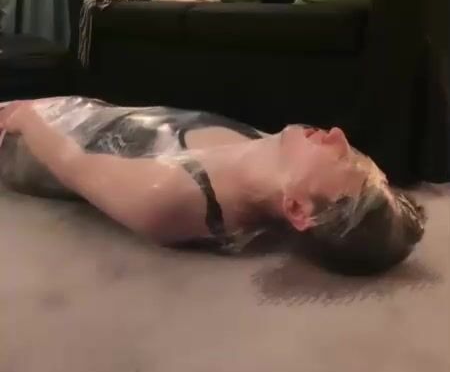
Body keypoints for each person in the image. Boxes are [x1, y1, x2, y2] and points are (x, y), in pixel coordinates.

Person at [0, 96, 425, 275]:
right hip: (76, 109)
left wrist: (23, 117)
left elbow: (72, 162)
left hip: (20, 138)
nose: (337, 136)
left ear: (298, 208)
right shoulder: (272, 152)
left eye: (342, 160)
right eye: (354, 151)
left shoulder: (168, 196)